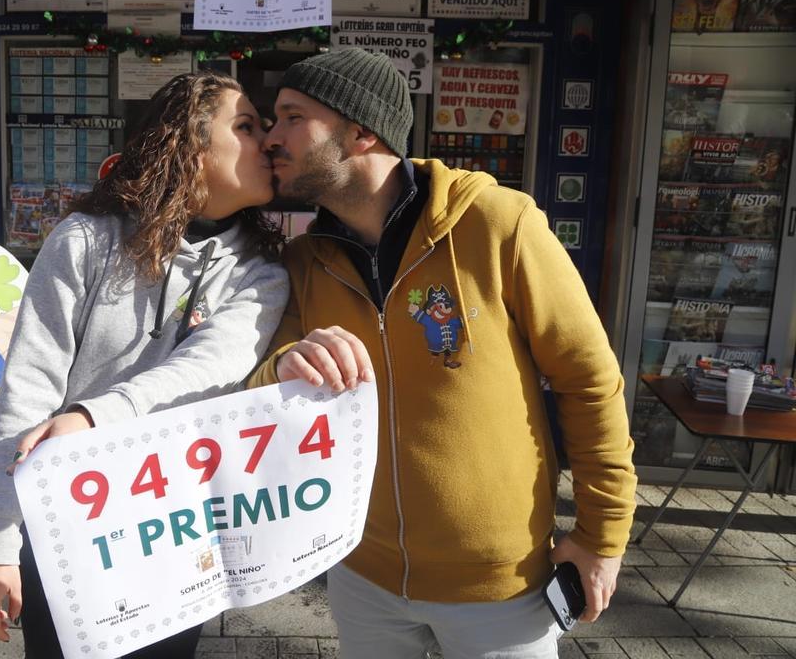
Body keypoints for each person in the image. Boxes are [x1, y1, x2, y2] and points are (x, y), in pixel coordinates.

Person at [250, 48, 637, 658]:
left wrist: (602, 537)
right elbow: (259, 389)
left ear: (360, 130)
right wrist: (286, 364)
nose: (271, 137)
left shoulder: (498, 223)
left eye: (292, 117)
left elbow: (589, 381)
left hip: (501, 590)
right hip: (360, 575)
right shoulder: (305, 261)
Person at [0, 71, 290, 657]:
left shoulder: (261, 274)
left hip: (175, 536)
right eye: (245, 126)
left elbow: (206, 370)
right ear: (188, 146)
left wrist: (92, 418)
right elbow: (28, 388)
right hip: (65, 529)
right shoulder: (84, 241)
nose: (267, 142)